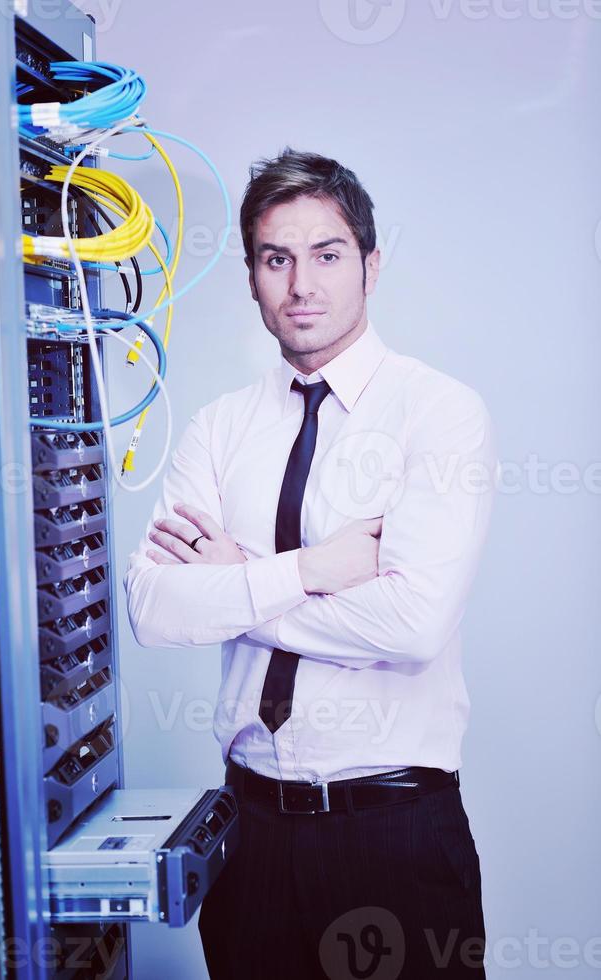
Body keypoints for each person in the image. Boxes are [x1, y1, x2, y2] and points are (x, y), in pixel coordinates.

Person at [124, 147, 499, 979]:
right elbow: (153, 608)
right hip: (246, 836)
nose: (301, 284)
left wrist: (235, 577)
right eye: (275, 258)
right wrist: (311, 568)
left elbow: (412, 624)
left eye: (326, 255)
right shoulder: (218, 429)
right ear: (252, 277)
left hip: (393, 833)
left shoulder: (437, 415)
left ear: (370, 263)